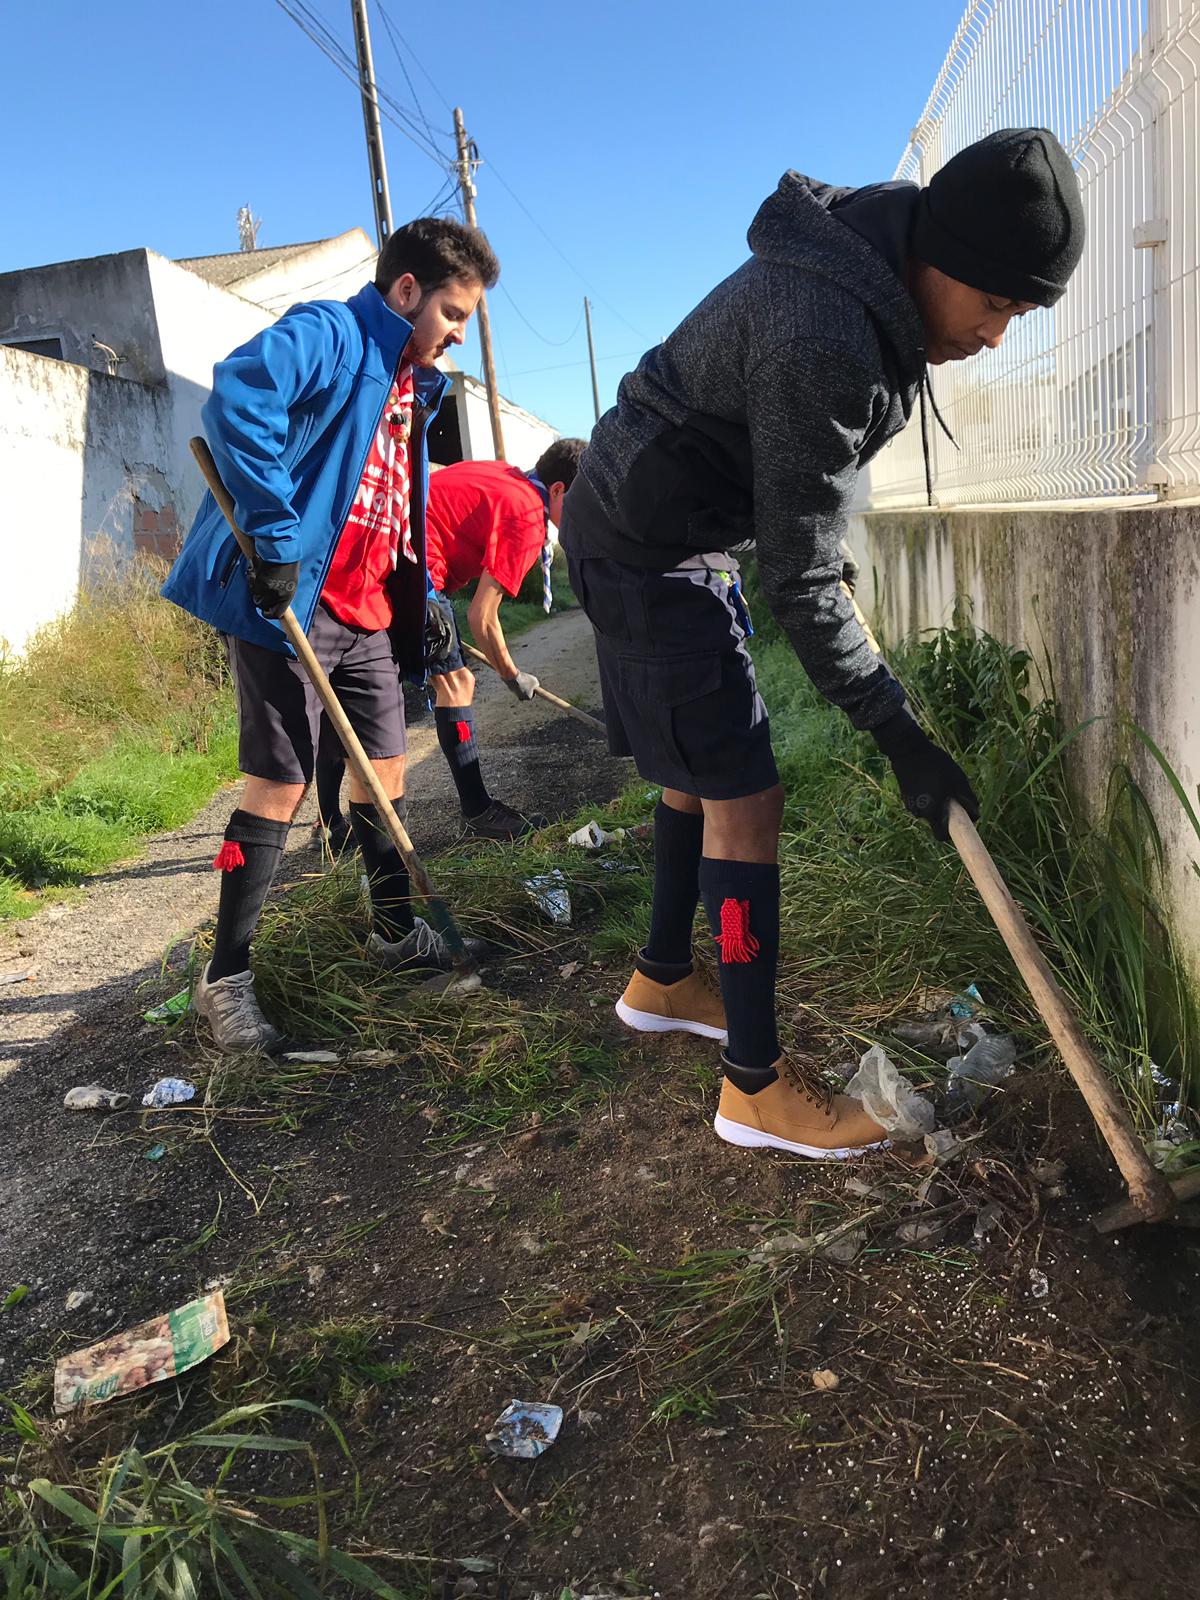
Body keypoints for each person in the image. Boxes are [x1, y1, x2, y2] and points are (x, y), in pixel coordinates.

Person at [560, 128, 1084, 1158]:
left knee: (695, 773)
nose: (996, 337)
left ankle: (665, 977)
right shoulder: (825, 334)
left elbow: (814, 507)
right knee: (746, 798)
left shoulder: (876, 259)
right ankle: (753, 1089)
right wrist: (902, 737)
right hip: (645, 546)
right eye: (997, 306)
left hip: (661, 524)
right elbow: (800, 581)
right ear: (948, 264)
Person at [161, 217, 500, 1052]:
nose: (457, 334)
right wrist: (274, 540)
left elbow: (390, 504)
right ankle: (225, 980)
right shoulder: (334, 334)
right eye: (453, 312)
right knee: (276, 787)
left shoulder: (414, 384)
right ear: (408, 290)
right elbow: (241, 392)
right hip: (290, 606)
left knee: (383, 776)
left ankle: (393, 935)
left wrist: (422, 610)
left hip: (367, 614)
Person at [312, 437, 587, 844]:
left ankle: (329, 822)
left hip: (377, 557)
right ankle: (479, 812)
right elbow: (483, 617)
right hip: (415, 571)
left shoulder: (504, 474)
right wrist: (512, 676)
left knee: (348, 693)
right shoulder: (528, 517)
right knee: (457, 684)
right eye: (586, 500)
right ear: (561, 490)